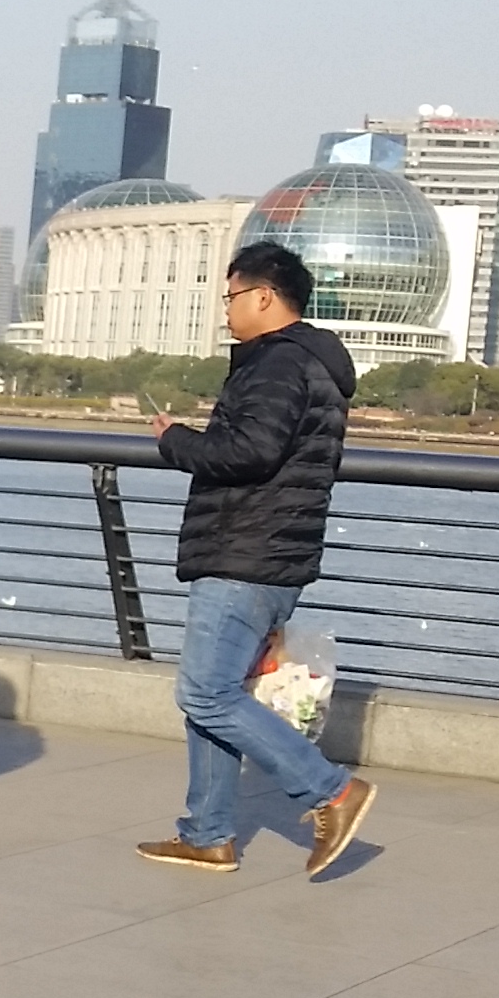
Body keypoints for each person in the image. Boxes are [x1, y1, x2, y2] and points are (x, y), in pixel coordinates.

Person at [140, 241, 376, 876]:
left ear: (265, 296)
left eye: (232, 297)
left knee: (206, 692)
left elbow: (251, 452)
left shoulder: (276, 363)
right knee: (213, 693)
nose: (226, 311)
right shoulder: (308, 364)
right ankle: (207, 832)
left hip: (245, 550)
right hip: (273, 549)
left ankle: (332, 791)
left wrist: (177, 441)